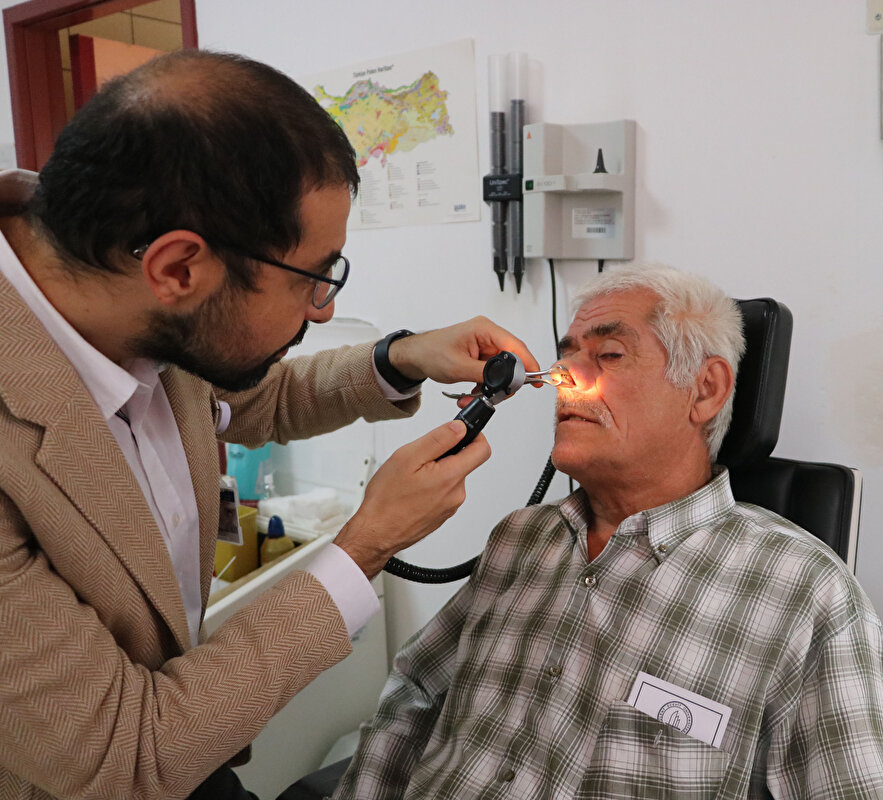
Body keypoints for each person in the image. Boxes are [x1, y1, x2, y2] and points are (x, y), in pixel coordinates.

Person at [0, 50, 539, 800]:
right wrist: (365, 546)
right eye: (313, 278)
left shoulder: (118, 287)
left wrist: (402, 358)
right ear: (179, 269)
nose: (322, 309)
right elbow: (124, 758)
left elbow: (248, 397)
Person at [335, 265, 883, 799]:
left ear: (706, 390)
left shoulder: (808, 595)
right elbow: (412, 697)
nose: (566, 380)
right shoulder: (519, 539)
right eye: (567, 359)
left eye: (609, 354)